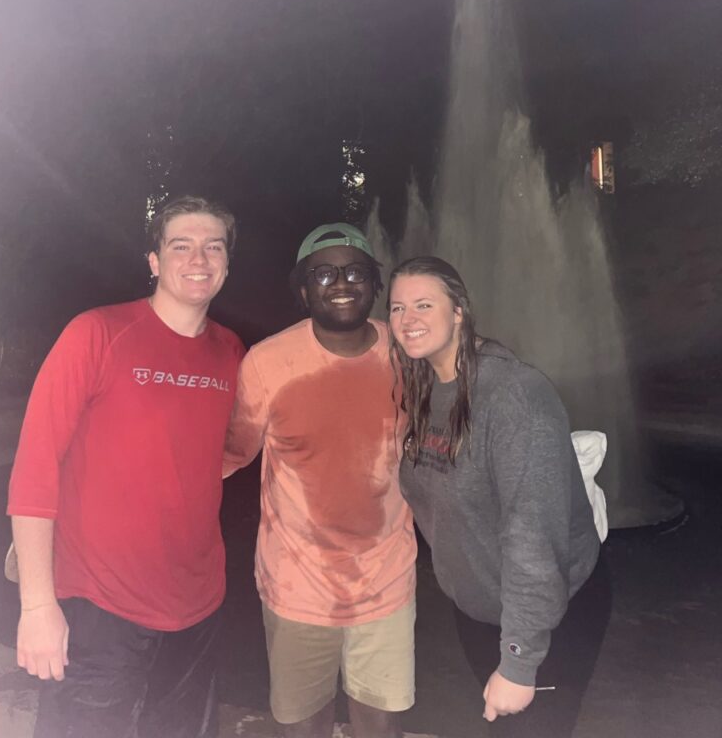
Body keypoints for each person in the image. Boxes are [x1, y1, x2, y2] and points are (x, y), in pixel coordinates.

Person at [7, 195, 245, 738]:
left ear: (227, 264)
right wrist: (38, 605)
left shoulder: (230, 351)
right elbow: (34, 470)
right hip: (98, 604)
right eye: (180, 245)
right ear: (155, 261)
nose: (199, 259)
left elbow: (229, 446)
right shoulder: (96, 333)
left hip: (197, 603)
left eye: (214, 247)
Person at [388, 256, 607, 736]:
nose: (408, 320)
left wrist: (518, 660)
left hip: (546, 620)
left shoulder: (515, 398)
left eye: (425, 304)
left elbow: (533, 537)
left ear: (459, 312)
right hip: (479, 612)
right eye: (398, 308)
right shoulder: (427, 388)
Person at [223, 223, 417, 738]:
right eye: (323, 273)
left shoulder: (408, 356)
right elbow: (228, 454)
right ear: (304, 289)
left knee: (382, 726)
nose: (341, 283)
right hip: (296, 588)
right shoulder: (268, 362)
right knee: (301, 725)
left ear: (375, 284)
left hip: (388, 583)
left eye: (355, 271)